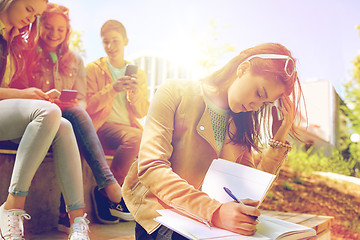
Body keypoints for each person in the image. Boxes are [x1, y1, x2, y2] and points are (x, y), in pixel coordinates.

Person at [121, 43, 304, 239]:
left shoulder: (240, 125)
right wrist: (215, 212)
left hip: (211, 228)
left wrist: (279, 137)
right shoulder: (174, 92)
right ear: (242, 69)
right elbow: (152, 168)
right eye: (259, 93)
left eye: (264, 103)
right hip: (163, 217)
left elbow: (248, 194)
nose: (255, 106)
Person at [10, 3, 125, 227]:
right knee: (71, 122)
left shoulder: (75, 60)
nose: (54, 34)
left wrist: (67, 102)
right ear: (39, 25)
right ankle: (110, 190)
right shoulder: (25, 53)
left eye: (60, 30)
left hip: (67, 117)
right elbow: (18, 94)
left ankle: (72, 213)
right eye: (49, 27)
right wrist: (43, 98)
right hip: (35, 119)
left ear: (67, 31)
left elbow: (82, 100)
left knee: (74, 117)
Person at [0, 1, 90, 239]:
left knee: (63, 124)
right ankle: (11, 206)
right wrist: (25, 95)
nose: (31, 19)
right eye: (28, 9)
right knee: (48, 112)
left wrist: (35, 95)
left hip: (6, 111)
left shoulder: (16, 38)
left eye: (36, 14)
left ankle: (77, 221)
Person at [85, 20, 149, 222]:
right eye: (106, 42)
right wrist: (112, 89)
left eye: (115, 41)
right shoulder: (93, 69)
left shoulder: (138, 73)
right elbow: (88, 106)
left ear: (126, 41)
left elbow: (141, 111)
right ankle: (108, 193)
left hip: (127, 128)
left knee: (152, 142)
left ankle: (120, 199)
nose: (110, 47)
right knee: (136, 138)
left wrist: (135, 91)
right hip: (100, 128)